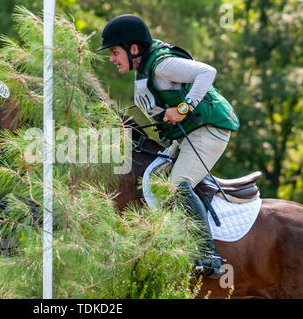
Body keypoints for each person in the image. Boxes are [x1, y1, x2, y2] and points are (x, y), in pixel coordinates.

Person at [98, 14, 240, 278]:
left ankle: (209, 255)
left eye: (115, 52)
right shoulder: (144, 68)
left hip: (211, 129)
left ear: (134, 49)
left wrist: (184, 108)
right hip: (188, 135)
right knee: (153, 176)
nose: (112, 59)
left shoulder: (162, 65)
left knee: (177, 184)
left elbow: (207, 72)